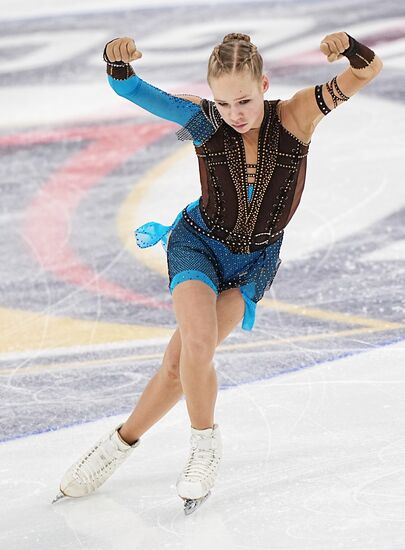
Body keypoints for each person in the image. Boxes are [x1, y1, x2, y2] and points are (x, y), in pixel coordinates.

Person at [54, 31, 382, 514]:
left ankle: (117, 444)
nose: (236, 113)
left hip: (255, 261)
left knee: (177, 365)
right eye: (225, 103)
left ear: (264, 84)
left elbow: (366, 70)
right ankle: (205, 447)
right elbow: (131, 89)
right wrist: (114, 60)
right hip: (197, 245)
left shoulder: (295, 114)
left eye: (245, 100)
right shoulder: (202, 120)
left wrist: (350, 46)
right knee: (200, 344)